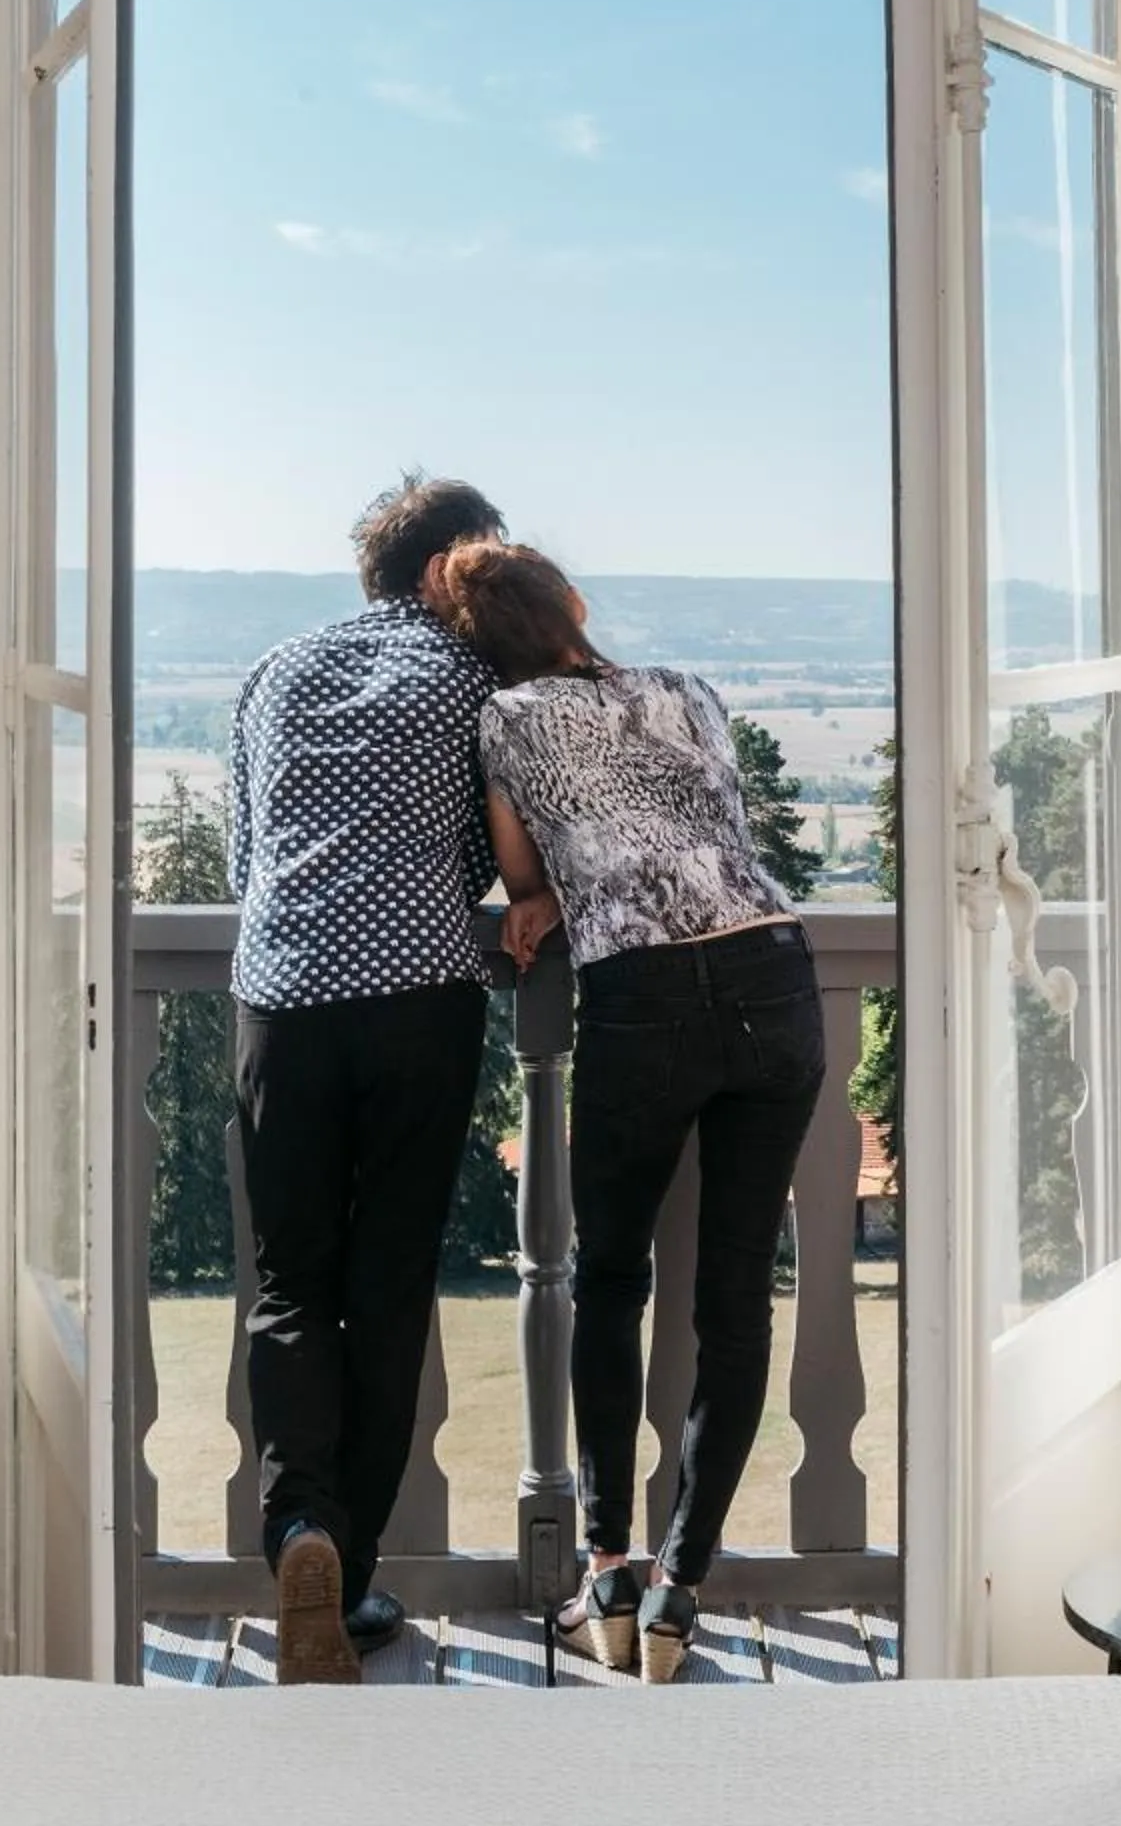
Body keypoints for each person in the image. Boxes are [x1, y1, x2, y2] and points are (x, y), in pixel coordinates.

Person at [437, 539, 826, 1683]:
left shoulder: (505, 720)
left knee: (607, 1280)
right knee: (734, 1297)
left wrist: (548, 897)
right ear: (572, 605)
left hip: (641, 994)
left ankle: (606, 1575)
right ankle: (678, 1596)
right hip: (771, 971)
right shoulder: (687, 688)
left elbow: (523, 876)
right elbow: (713, 832)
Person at [229, 474, 505, 1685]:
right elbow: (482, 852)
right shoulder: (475, 679)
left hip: (281, 997)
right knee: (387, 1285)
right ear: (456, 568)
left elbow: (245, 853)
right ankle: (347, 1575)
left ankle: (299, 1526)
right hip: (417, 998)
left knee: (291, 1283)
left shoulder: (277, 667)